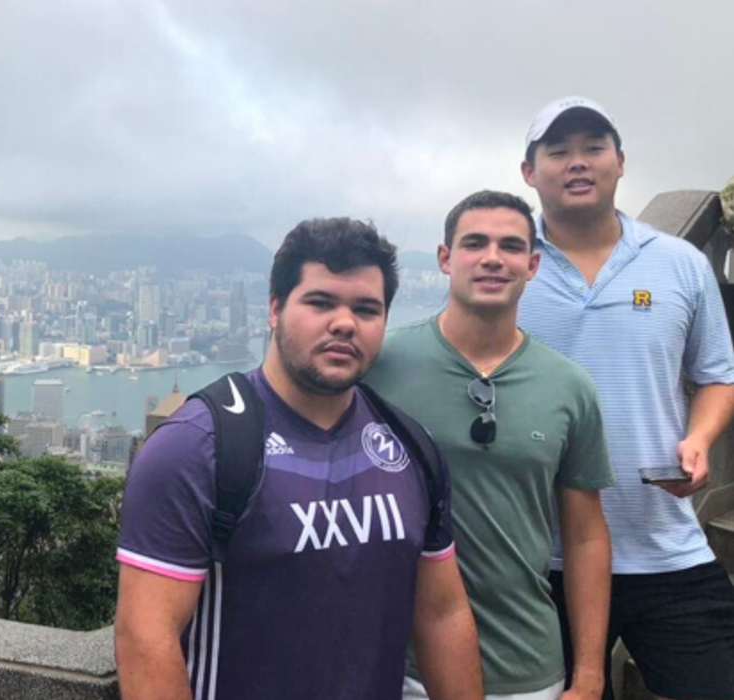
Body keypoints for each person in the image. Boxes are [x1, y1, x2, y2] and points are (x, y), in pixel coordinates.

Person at [114, 218, 482, 700]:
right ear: (274, 308)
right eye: (320, 302)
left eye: (367, 309)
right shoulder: (196, 447)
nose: (345, 323)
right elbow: (145, 637)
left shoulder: (409, 447)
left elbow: (442, 613)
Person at [518, 96, 734, 700]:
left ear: (621, 162)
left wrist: (701, 439)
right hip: (541, 560)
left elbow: (717, 374)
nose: (577, 162)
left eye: (593, 148)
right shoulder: (508, 267)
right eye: (558, 151)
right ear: (530, 173)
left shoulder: (679, 264)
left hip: (666, 543)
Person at [367, 191, 613, 700]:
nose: (493, 258)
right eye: (474, 243)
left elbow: (585, 535)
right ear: (444, 258)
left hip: (525, 668)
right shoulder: (381, 365)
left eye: (510, 246)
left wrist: (589, 672)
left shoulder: (568, 386)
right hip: (400, 666)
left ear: (533, 265)